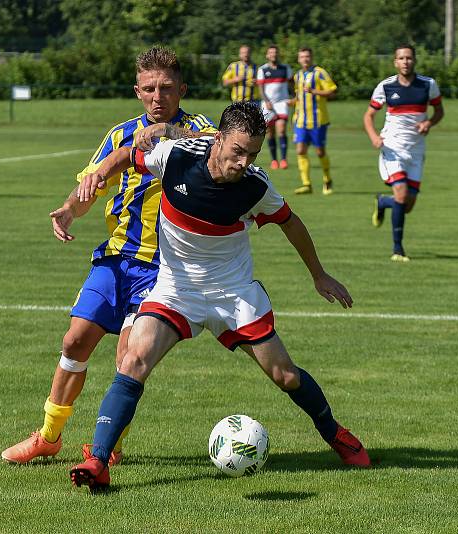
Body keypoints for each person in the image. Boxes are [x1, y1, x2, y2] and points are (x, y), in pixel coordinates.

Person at [69, 102, 370, 490]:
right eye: (238, 151)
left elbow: (291, 223)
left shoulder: (256, 186)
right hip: (176, 290)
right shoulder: (175, 157)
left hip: (232, 293)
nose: (244, 161)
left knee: (285, 374)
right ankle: (98, 460)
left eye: (253, 154)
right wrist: (97, 174)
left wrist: (319, 274)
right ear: (219, 140)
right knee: (133, 361)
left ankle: (335, 434)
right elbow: (127, 154)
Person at [1, 47, 216, 466]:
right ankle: (48, 436)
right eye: (150, 89)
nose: (158, 97)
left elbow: (217, 147)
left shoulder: (199, 128)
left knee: (128, 353)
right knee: (74, 339)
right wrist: (68, 208)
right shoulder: (120, 134)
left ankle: (110, 448)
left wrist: (165, 135)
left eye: (167, 89)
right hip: (118, 259)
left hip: (166, 268)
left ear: (182, 90)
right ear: (137, 91)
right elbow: (91, 185)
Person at [364, 44, 444, 262]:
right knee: (401, 194)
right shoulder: (386, 86)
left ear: (414, 60)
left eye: (409, 58)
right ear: (395, 62)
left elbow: (439, 111)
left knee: (407, 205)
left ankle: (383, 202)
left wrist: (429, 122)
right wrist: (374, 137)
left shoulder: (428, 85)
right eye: (401, 58)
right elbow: (368, 116)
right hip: (392, 148)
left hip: (416, 151)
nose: (405, 61)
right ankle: (397, 250)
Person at [290, 48, 337, 195]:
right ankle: (306, 184)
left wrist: (314, 91)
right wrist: (292, 104)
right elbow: (299, 97)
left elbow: (332, 91)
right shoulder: (297, 76)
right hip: (301, 121)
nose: (305, 59)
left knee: (320, 151)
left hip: (318, 120)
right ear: (298, 59)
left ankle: (327, 180)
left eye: (307, 56)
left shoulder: (320, 73)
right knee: (300, 150)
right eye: (302, 57)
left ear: (312, 57)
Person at [257, 45, 293, 170]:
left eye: (275, 52)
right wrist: (266, 101)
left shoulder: (285, 68)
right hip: (268, 105)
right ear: (267, 55)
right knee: (270, 133)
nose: (273, 55)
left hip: (282, 103)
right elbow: (261, 88)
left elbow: (291, 84)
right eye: (271, 53)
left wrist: (293, 97)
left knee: (281, 130)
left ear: (279, 54)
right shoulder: (263, 69)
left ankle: (283, 159)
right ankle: (274, 160)